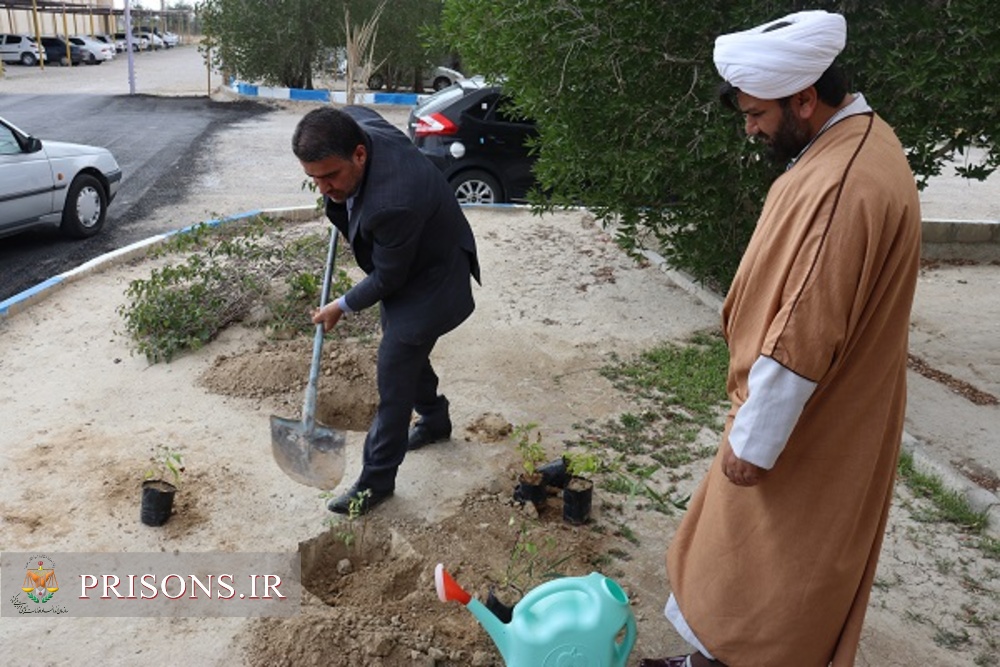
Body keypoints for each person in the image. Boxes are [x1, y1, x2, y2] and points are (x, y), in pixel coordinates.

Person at [640, 10, 922, 667]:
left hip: (805, 428)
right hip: (827, 415)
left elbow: (802, 328)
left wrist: (752, 445)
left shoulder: (841, 185)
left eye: (758, 114)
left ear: (805, 97)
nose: (751, 129)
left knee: (764, 585)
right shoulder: (862, 144)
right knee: (742, 572)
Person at [291, 106, 480, 516]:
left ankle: (376, 481)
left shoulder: (393, 203)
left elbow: (388, 278)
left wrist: (340, 305)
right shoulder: (358, 127)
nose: (323, 188)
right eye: (314, 179)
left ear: (359, 154)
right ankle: (434, 420)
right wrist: (340, 196)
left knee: (394, 371)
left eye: (331, 176)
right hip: (410, 260)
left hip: (432, 278)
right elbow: (352, 112)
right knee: (406, 351)